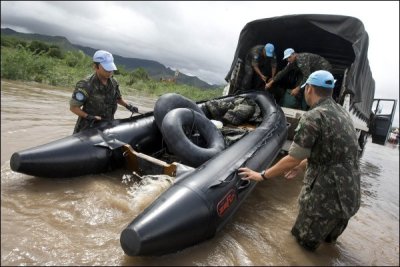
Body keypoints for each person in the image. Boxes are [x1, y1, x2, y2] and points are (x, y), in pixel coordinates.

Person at [239, 70, 361, 251]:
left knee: (300, 249)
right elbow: (334, 153)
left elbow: (291, 158)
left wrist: (262, 175)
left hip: (324, 199)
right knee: (328, 247)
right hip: (349, 196)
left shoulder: (314, 116)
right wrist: (303, 165)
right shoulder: (343, 114)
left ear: (309, 89)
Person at [70, 50, 139, 134]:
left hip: (107, 127)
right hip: (87, 128)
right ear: (95, 67)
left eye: (111, 68)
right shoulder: (85, 85)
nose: (110, 71)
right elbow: (73, 108)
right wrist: (88, 116)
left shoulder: (114, 83)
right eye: (106, 68)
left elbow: (118, 99)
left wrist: (128, 106)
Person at [265, 48, 332, 110]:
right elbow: (283, 72)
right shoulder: (292, 61)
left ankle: (315, 108)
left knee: (314, 89)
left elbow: (307, 76)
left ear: (294, 54)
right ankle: (301, 104)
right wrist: (270, 83)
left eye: (289, 57)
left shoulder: (300, 59)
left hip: (323, 69)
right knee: (302, 85)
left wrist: (297, 88)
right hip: (312, 71)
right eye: (286, 58)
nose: (288, 59)